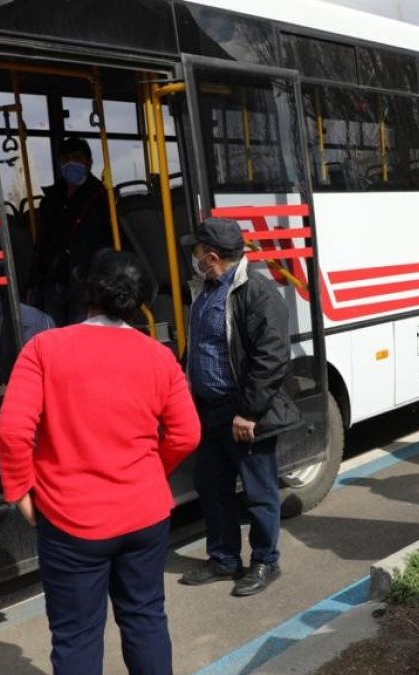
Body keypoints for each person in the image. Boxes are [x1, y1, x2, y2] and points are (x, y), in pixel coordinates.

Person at [0, 250, 200, 675]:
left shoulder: (44, 349)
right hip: (145, 517)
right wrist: (149, 474)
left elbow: (13, 432)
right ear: (138, 299)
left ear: (87, 290)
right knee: (145, 620)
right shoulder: (159, 356)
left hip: (71, 522)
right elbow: (187, 434)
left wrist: (20, 491)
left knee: (77, 637)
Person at [177, 217, 302, 597]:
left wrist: (248, 412)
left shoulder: (258, 294)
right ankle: (224, 559)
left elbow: (272, 359)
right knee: (212, 487)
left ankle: (265, 561)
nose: (193, 256)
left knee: (258, 491)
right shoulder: (206, 289)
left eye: (197, 251)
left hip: (242, 411)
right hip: (208, 409)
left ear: (212, 256)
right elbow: (199, 345)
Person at [33, 136, 114, 326]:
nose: (71, 163)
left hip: (87, 283)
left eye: (77, 157)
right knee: (57, 336)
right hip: (54, 281)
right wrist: (34, 282)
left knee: (83, 336)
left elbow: (106, 242)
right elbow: (41, 243)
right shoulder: (51, 199)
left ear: (89, 162)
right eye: (66, 159)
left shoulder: (101, 198)